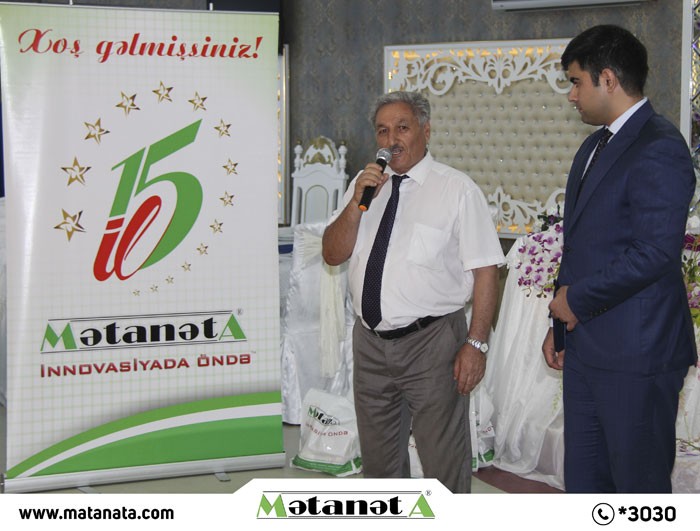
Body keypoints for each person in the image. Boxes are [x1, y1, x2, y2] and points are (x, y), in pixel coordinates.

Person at [322, 91, 504, 493]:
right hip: (370, 344)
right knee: (379, 465)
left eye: (402, 128)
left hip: (432, 344)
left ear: (426, 131)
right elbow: (332, 254)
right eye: (382, 131)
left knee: (442, 462)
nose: (392, 140)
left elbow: (486, 271)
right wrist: (355, 205)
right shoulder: (364, 187)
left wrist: (477, 343)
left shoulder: (456, 190)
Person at [542, 25, 698, 493]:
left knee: (637, 487)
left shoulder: (660, 145)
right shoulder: (593, 146)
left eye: (576, 82)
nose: (572, 95)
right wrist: (560, 327)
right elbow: (580, 246)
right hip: (587, 346)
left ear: (607, 79)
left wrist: (576, 301)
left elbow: (655, 253)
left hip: (638, 353)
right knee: (585, 483)